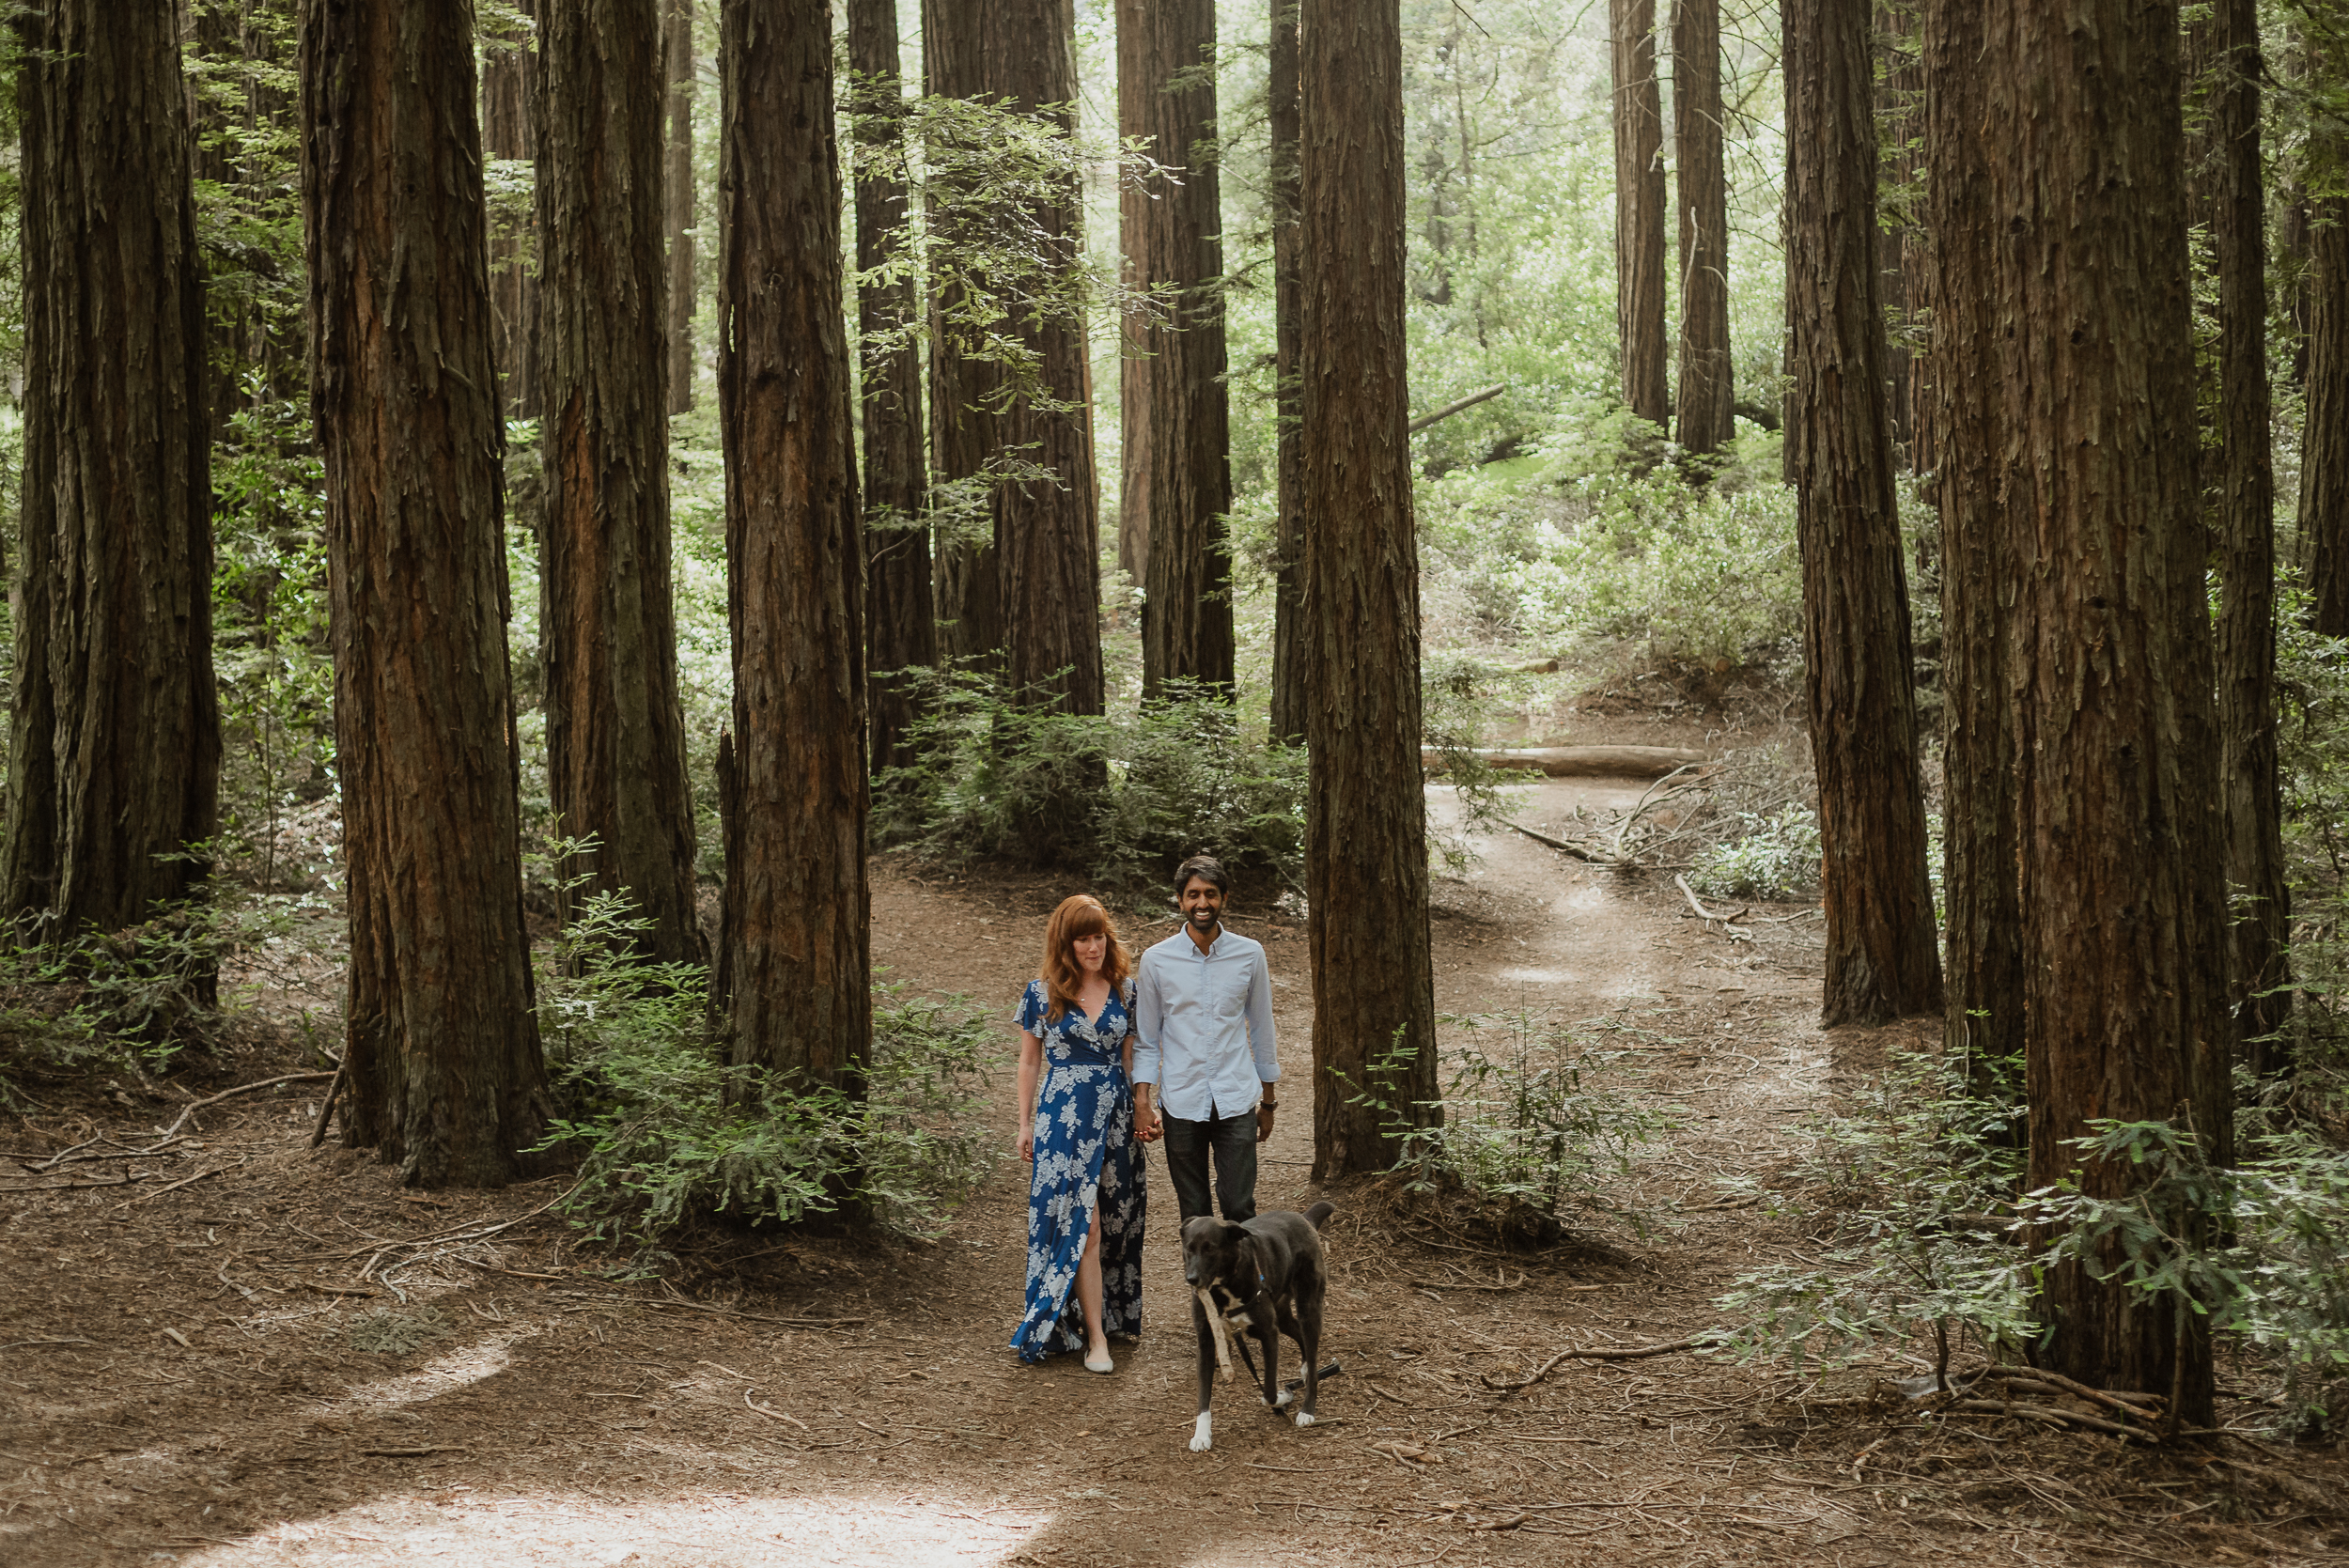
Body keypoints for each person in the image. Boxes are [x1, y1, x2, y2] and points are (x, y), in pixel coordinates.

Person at [1009, 893, 1150, 1373]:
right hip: (1063, 1119)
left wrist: (1141, 1109)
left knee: (1114, 1220)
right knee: (1081, 1224)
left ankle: (1108, 1318)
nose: (1093, 947)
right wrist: (1024, 1122)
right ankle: (1096, 1341)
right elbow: (1030, 1061)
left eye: (1099, 937)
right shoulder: (1041, 992)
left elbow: (1132, 1057)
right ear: (1064, 944)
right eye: (1083, 939)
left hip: (1115, 1116)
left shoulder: (1127, 990)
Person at [1132, 855, 1280, 1227]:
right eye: (1193, 894)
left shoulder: (1250, 954)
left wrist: (1268, 1101)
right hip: (1182, 1102)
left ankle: (1245, 1285)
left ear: (1224, 898)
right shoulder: (1156, 960)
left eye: (1210, 894)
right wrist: (1144, 1101)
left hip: (1236, 1098)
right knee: (1194, 1214)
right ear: (1180, 900)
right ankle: (1201, 1287)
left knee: (1239, 1208)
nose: (1202, 903)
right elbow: (1147, 1039)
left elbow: (1262, 1028)